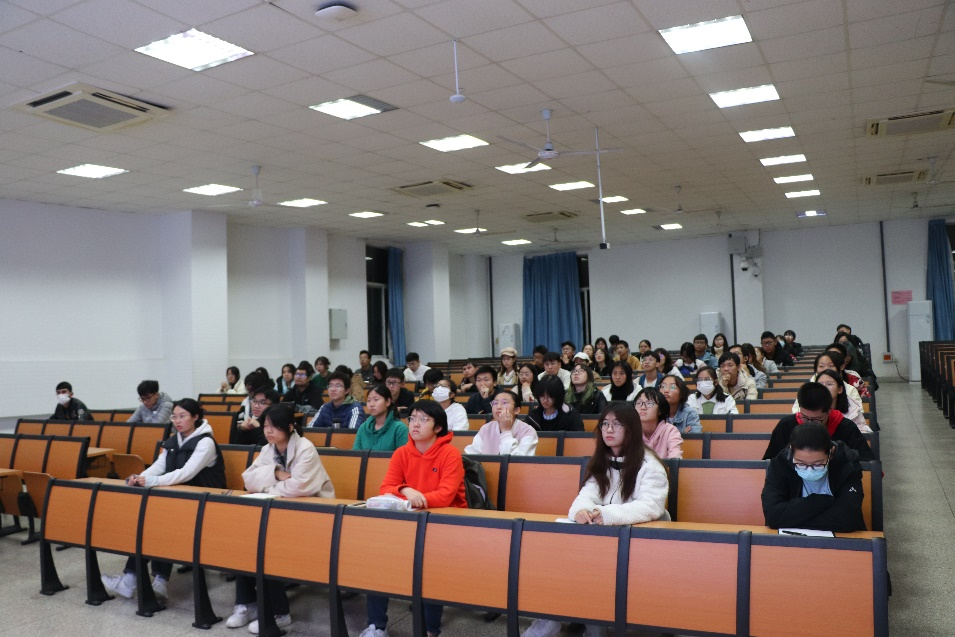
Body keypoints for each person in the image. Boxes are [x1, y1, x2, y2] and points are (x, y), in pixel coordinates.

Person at [522, 403, 670, 637]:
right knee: (556, 554)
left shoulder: (649, 465)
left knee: (583, 563)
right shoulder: (602, 460)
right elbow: (585, 496)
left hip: (637, 543)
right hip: (603, 538)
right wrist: (581, 511)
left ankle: (587, 623)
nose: (609, 429)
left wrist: (606, 514)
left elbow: (651, 506)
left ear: (631, 428)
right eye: (605, 424)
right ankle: (552, 618)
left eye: (616, 424)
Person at [102, 399, 226, 600]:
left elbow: (186, 473)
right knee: (152, 523)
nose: (177, 421)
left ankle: (147, 580)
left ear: (196, 417)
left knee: (161, 523)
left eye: (182, 416)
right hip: (180, 501)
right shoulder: (174, 441)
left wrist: (153, 481)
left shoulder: (206, 442)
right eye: (174, 416)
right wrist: (139, 477)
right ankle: (141, 580)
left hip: (206, 504)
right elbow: (159, 466)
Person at [360, 401, 466, 637]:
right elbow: (386, 487)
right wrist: (406, 491)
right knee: (378, 558)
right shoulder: (402, 453)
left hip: (443, 525)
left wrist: (414, 499)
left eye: (423, 419)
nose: (415, 424)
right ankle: (376, 626)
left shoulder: (450, 454)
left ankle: (430, 629)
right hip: (408, 521)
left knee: (430, 566)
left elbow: (446, 496)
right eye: (413, 418)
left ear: (438, 427)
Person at [227, 404, 335, 633]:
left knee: (268, 547)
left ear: (290, 427)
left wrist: (266, 485)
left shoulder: (306, 448)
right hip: (278, 512)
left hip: (312, 516)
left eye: (274, 427)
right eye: (265, 426)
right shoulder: (269, 449)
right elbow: (248, 479)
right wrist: (276, 473)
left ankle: (279, 613)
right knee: (245, 542)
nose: (268, 431)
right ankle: (247, 603)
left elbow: (300, 487)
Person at [761, 423, 866, 532]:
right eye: (801, 464)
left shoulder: (848, 465)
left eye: (818, 464)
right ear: (791, 451)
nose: (809, 470)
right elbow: (773, 516)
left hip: (843, 538)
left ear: (831, 453)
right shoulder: (780, 465)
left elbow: (847, 519)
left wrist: (791, 518)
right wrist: (822, 501)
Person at [763, 382, 874, 461]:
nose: (809, 423)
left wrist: (837, 453)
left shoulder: (845, 427)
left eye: (816, 420)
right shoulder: (786, 425)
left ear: (829, 411)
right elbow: (770, 461)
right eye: (805, 418)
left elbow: (867, 460)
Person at [465, 389, 538, 455]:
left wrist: (505, 430)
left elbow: (518, 462)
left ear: (516, 410)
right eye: (495, 403)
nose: (499, 407)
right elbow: (471, 455)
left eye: (504, 403)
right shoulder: (486, 428)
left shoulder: (528, 431)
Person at [795, 369, 870, 433]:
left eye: (829, 384)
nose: (824, 387)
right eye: (820, 384)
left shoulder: (853, 411)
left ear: (840, 389)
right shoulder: (804, 407)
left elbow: (864, 435)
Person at [353, 384, 409, 452]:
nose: (371, 404)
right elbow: (355, 455)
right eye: (369, 400)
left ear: (388, 402)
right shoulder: (363, 427)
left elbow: (403, 456)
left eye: (376, 400)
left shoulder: (400, 429)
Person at [634, 387, 683, 458]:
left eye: (649, 403)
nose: (643, 407)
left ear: (660, 410)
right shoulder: (630, 431)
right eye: (639, 403)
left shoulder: (670, 431)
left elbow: (675, 457)